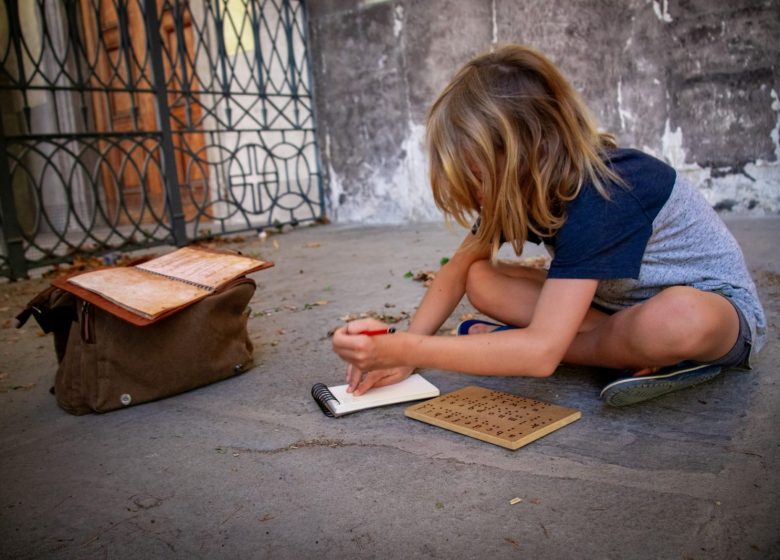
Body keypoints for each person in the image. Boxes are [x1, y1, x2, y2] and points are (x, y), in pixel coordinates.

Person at [331, 44, 766, 407]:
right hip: (610, 314)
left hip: (717, 312)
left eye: (479, 177)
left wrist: (409, 349)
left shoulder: (608, 188)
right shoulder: (525, 187)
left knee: (678, 317)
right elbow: (458, 270)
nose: (477, 194)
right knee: (481, 278)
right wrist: (407, 345)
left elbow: (540, 357)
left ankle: (568, 349)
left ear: (528, 151)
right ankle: (602, 349)